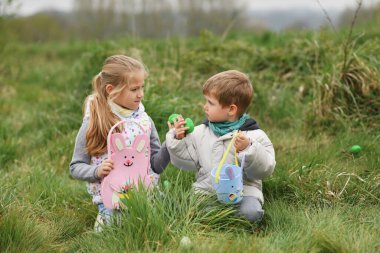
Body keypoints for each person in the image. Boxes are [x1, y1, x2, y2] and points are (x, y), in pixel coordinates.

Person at [69, 55, 170, 231]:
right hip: (112, 199)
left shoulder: (145, 121)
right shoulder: (94, 122)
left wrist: (171, 142)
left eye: (142, 87)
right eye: (134, 89)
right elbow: (75, 166)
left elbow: (156, 165)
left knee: (161, 224)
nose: (141, 94)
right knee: (111, 233)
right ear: (111, 89)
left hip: (146, 195)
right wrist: (96, 171)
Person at [166, 70, 276, 223]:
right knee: (199, 211)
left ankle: (238, 218)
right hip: (208, 191)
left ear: (231, 109)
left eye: (210, 103)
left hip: (244, 192)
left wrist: (248, 149)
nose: (205, 107)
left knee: (251, 213)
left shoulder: (254, 136)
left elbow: (264, 170)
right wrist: (179, 139)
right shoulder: (200, 132)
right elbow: (185, 163)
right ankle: (212, 216)